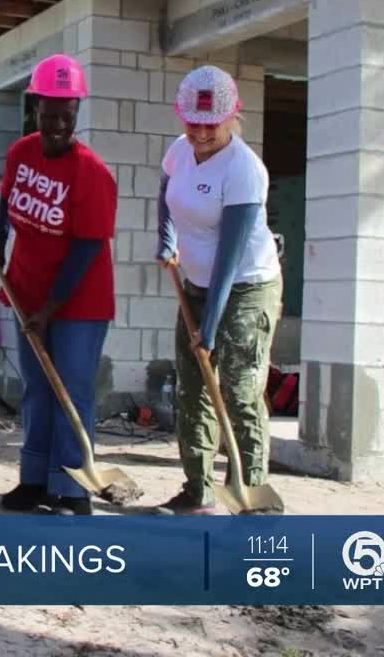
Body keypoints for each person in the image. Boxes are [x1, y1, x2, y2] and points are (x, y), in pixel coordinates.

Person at [0, 54, 117, 517]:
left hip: (79, 300)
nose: (58, 123)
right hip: (27, 290)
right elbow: (6, 202)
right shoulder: (22, 151)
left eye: (67, 115)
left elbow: (85, 250)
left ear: (77, 113)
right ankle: (34, 480)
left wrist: (50, 308)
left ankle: (74, 489)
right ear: (35, 108)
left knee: (71, 391)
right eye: (50, 113)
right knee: (37, 390)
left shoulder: (92, 173)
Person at [154, 65, 282, 515]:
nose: (202, 132)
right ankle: (198, 490)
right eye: (193, 122)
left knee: (240, 389)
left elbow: (230, 256)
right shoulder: (179, 151)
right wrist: (165, 238)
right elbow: (167, 192)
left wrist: (209, 325)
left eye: (211, 124)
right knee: (192, 388)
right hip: (195, 282)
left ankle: (252, 497)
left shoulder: (244, 170)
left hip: (246, 285)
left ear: (232, 118)